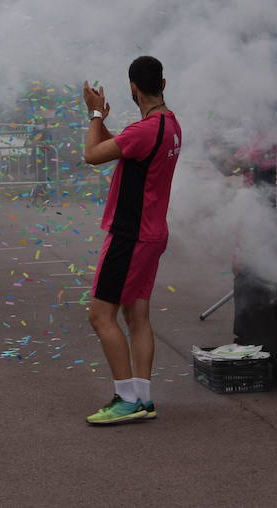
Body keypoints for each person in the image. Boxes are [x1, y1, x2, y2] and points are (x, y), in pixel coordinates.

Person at [81, 56, 182, 425]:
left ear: (132, 88)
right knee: (136, 314)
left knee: (100, 315)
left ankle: (126, 400)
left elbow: (93, 155)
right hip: (152, 234)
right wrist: (104, 124)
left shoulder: (145, 130)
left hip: (130, 235)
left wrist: (94, 116)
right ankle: (142, 397)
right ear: (163, 84)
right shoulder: (169, 125)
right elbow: (122, 148)